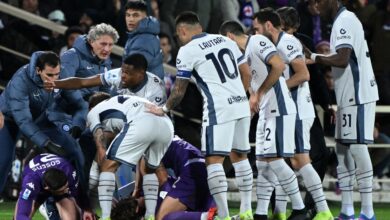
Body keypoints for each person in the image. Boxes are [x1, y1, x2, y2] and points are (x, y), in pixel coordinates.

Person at [147, 11, 253, 220]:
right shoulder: (225, 40)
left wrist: (164, 109)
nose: (179, 40)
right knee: (240, 156)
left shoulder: (187, 50)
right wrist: (240, 96)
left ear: (182, 31)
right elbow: (247, 72)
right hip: (241, 105)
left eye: (178, 36)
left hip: (218, 109)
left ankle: (223, 215)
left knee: (213, 161)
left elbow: (179, 90)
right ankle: (246, 210)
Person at [220, 20, 308, 220]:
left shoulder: (257, 41)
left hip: (280, 107)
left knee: (275, 160)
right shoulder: (241, 58)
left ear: (230, 36)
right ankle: (260, 213)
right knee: (262, 164)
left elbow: (278, 65)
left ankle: (300, 208)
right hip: (265, 112)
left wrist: (258, 94)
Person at [306, 0, 379, 219]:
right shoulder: (341, 20)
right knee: (341, 150)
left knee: (357, 147)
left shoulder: (345, 20)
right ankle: (347, 209)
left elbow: (343, 59)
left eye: (319, 2)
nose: (316, 7)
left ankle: (367, 211)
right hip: (348, 94)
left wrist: (313, 56)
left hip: (358, 93)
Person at [0, 51, 88, 198]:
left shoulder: (62, 73)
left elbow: (80, 104)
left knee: (73, 149)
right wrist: (47, 144)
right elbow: (23, 120)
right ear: (38, 70)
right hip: (10, 119)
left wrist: (78, 126)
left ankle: (81, 202)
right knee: (2, 162)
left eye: (57, 74)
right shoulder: (20, 81)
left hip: (40, 117)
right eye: (49, 75)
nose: (54, 80)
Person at [87, 93, 173, 220]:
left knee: (107, 167)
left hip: (142, 124)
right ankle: (150, 215)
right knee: (150, 170)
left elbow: (100, 134)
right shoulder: (122, 102)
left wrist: (101, 149)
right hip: (166, 125)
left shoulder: (94, 112)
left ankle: (105, 217)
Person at [130, 136, 215, 220]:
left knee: (161, 217)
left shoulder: (146, 154)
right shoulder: (159, 139)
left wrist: (137, 191)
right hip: (204, 169)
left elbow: (162, 177)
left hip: (193, 171)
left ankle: (210, 217)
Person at [44, 53, 165, 106]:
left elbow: (152, 121)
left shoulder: (155, 90)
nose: (122, 75)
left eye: (127, 73)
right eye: (122, 70)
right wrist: (55, 83)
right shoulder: (117, 75)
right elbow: (82, 82)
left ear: (141, 74)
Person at [14, 153, 94, 220]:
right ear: (47, 188)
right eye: (62, 190)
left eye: (66, 187)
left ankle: (51, 205)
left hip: (54, 178)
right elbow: (21, 215)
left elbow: (79, 194)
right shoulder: (30, 183)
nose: (66, 190)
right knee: (26, 213)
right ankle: (47, 205)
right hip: (38, 187)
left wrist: (87, 209)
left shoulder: (68, 170)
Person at [60, 23, 119, 100]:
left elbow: (106, 90)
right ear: (91, 41)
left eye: (110, 45)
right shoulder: (72, 55)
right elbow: (65, 87)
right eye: (103, 44)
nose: (107, 49)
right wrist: (87, 103)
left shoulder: (106, 61)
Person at [123, 0, 164, 80]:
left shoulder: (144, 40)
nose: (130, 19)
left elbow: (133, 73)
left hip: (143, 90)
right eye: (128, 15)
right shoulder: (143, 35)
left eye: (135, 15)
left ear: (145, 17)